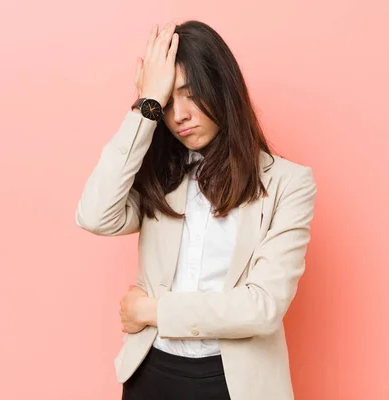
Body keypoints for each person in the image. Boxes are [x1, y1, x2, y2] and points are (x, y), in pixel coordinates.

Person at [75, 19, 317, 400]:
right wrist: (145, 107)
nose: (179, 116)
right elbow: (94, 214)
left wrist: (153, 312)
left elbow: (262, 307)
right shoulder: (162, 178)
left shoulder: (288, 184)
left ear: (221, 89)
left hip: (237, 383)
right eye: (168, 102)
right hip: (151, 374)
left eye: (190, 94)